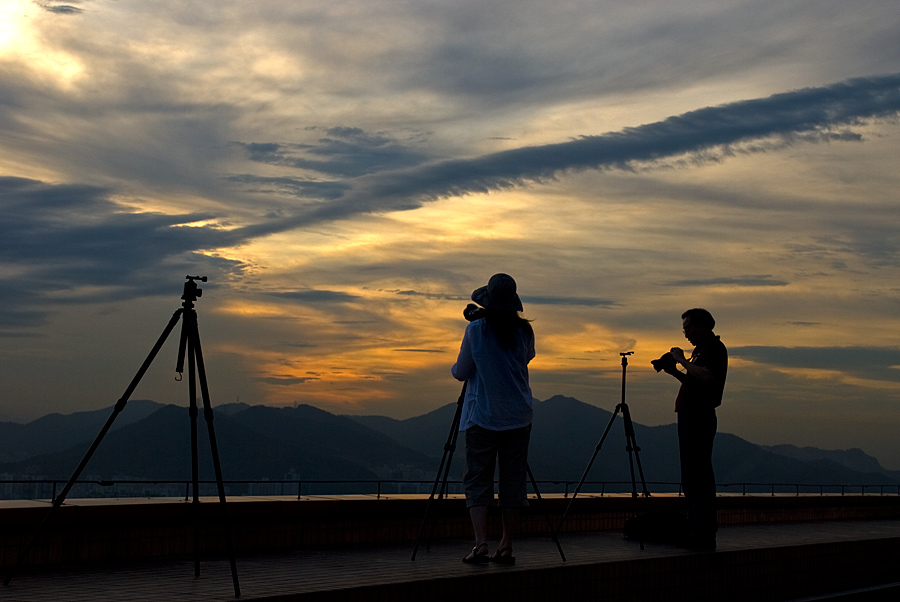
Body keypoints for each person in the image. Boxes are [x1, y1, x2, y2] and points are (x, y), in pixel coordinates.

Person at [451, 273, 535, 565]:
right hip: (519, 416)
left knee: (477, 480)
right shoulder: (524, 332)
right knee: (513, 483)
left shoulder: (476, 331)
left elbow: (461, 372)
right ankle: (507, 544)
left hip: (483, 416)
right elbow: (525, 359)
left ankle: (480, 543)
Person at [660, 308, 727, 551]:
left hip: (700, 417)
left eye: (688, 328)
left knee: (698, 476)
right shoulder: (700, 351)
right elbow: (695, 381)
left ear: (702, 326)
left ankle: (703, 533)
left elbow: (708, 378)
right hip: (690, 415)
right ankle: (696, 530)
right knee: (691, 476)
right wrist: (674, 371)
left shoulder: (714, 349)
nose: (686, 333)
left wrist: (681, 360)